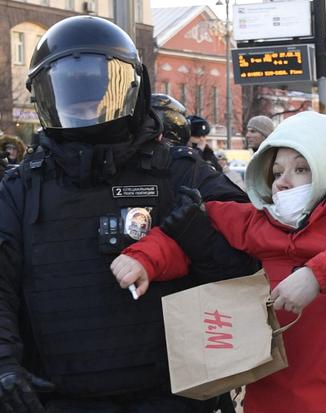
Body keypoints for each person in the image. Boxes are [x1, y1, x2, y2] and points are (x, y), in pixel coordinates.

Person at [0, 15, 258, 413]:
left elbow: (250, 268)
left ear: (133, 91)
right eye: (72, 97)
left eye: (98, 95)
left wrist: (197, 234)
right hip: (62, 397)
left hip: (173, 396)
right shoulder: (22, 189)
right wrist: (4, 365)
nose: (86, 110)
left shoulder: (180, 171)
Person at [110, 111, 326, 413]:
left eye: (301, 168)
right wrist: (144, 258)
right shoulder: (259, 219)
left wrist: (317, 275)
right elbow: (188, 230)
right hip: (264, 395)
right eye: (277, 171)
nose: (282, 181)